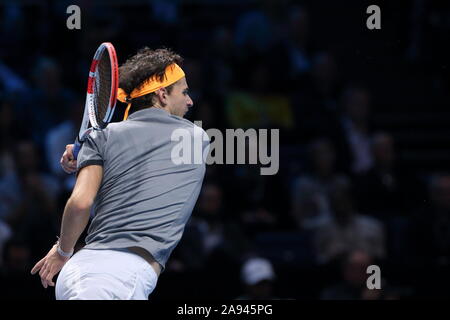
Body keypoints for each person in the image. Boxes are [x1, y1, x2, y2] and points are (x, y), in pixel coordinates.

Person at [30, 47, 210, 300]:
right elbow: (82, 202)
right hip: (117, 278)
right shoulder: (194, 138)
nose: (190, 101)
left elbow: (82, 199)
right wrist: (83, 149)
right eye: (184, 92)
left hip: (81, 270)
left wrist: (62, 251)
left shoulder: (102, 138)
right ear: (162, 94)